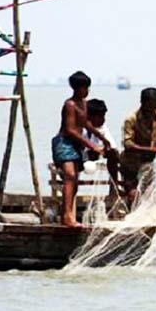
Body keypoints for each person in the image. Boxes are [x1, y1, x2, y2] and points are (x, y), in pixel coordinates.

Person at [51, 71, 111, 227]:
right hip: (64, 143)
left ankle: (68, 213)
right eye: (84, 88)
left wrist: (102, 138)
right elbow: (70, 130)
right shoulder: (69, 105)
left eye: (88, 88)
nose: (86, 91)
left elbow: (86, 124)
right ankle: (67, 217)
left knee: (74, 181)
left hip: (76, 145)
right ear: (76, 88)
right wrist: (92, 146)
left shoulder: (84, 104)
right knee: (70, 175)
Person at [119, 88, 156, 206]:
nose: (151, 110)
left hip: (148, 163)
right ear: (142, 102)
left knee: (149, 195)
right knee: (133, 195)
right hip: (131, 164)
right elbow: (128, 144)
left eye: (155, 105)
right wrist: (152, 149)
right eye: (149, 106)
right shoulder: (131, 119)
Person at [83, 99, 120, 187]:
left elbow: (112, 146)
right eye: (100, 117)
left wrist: (103, 150)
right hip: (81, 158)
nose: (103, 120)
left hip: (98, 156)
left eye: (104, 116)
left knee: (113, 154)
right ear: (89, 117)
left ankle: (114, 188)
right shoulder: (80, 128)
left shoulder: (102, 127)